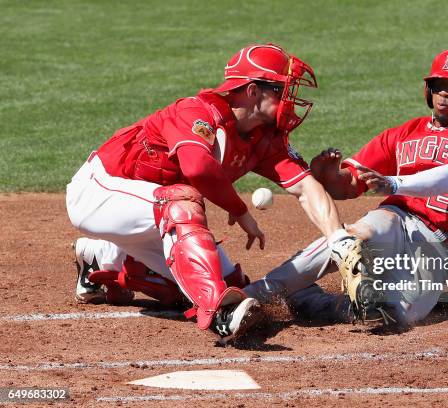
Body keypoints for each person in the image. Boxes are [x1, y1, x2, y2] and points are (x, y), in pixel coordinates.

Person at [66, 43, 363, 344]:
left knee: (224, 283)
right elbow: (198, 169)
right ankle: (221, 313)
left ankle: (99, 259)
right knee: (181, 203)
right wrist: (239, 210)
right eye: (281, 90)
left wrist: (339, 240)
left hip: (144, 213)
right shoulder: (196, 113)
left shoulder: (265, 138)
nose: (290, 99)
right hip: (98, 193)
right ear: (252, 91)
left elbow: (306, 187)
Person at [243, 49, 448, 326]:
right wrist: (328, 175)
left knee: (392, 316)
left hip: (439, 249)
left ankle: (309, 300)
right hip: (396, 220)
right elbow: (349, 185)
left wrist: (395, 182)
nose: (444, 95)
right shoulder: (403, 133)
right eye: (437, 86)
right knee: (354, 236)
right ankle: (249, 295)